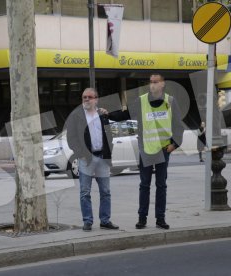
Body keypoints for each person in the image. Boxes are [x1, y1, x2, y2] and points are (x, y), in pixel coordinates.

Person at [108, 74, 184, 230]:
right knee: (144, 185)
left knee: (161, 185)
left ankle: (160, 219)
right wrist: (107, 115)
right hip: (146, 150)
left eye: (156, 82)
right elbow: (125, 114)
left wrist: (174, 145)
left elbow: (178, 125)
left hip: (163, 150)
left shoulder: (170, 101)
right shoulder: (141, 101)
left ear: (163, 84)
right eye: (150, 82)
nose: (152, 85)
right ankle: (142, 218)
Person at [66, 88, 119, 232]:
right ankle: (88, 221)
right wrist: (81, 153)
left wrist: (109, 151)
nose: (86, 99)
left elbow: (109, 135)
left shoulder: (102, 114)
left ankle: (105, 220)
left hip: (102, 158)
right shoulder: (76, 116)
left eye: (90, 97)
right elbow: (71, 138)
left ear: (96, 99)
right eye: (84, 97)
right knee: (85, 192)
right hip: (86, 159)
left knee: (105, 191)